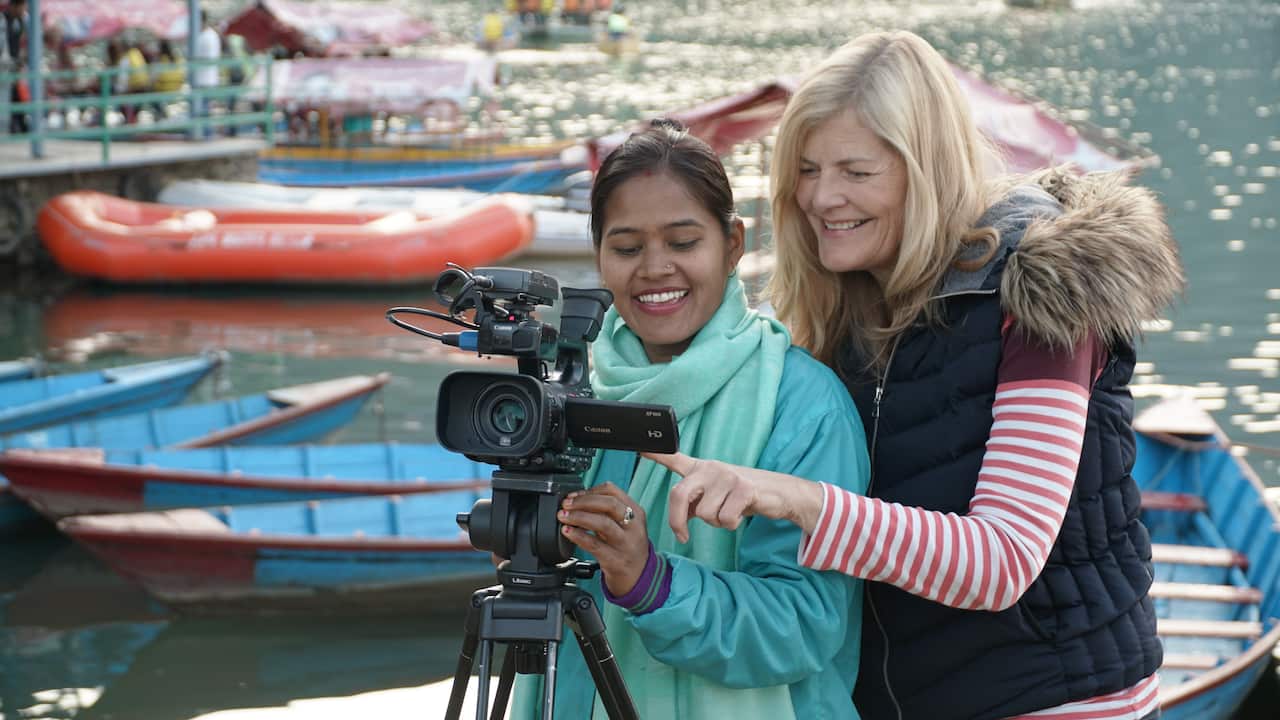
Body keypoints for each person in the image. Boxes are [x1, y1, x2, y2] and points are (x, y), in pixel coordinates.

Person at [645, 30, 1182, 720]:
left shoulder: (1038, 288)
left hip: (1055, 699)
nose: (821, 198)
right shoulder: (845, 302)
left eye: (856, 172)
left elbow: (1003, 560)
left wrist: (798, 499)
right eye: (806, 170)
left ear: (926, 168)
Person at [510, 118, 869, 719]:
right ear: (598, 253)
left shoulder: (801, 402)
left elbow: (805, 627)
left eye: (683, 243)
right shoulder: (571, 395)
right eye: (626, 248)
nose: (654, 269)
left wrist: (649, 580)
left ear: (733, 244)